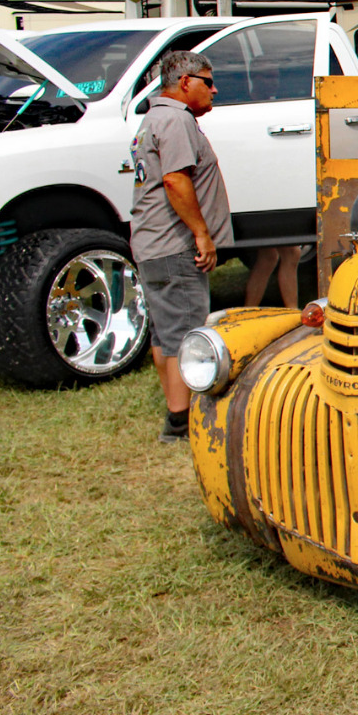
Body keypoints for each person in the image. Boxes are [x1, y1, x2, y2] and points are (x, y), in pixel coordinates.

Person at [130, 51, 232, 444]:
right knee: (185, 335)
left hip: (152, 243)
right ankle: (179, 422)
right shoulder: (175, 119)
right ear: (185, 81)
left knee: (164, 335)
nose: (214, 89)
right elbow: (175, 180)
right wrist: (201, 235)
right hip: (174, 246)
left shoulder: (153, 118)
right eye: (208, 81)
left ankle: (177, 410)